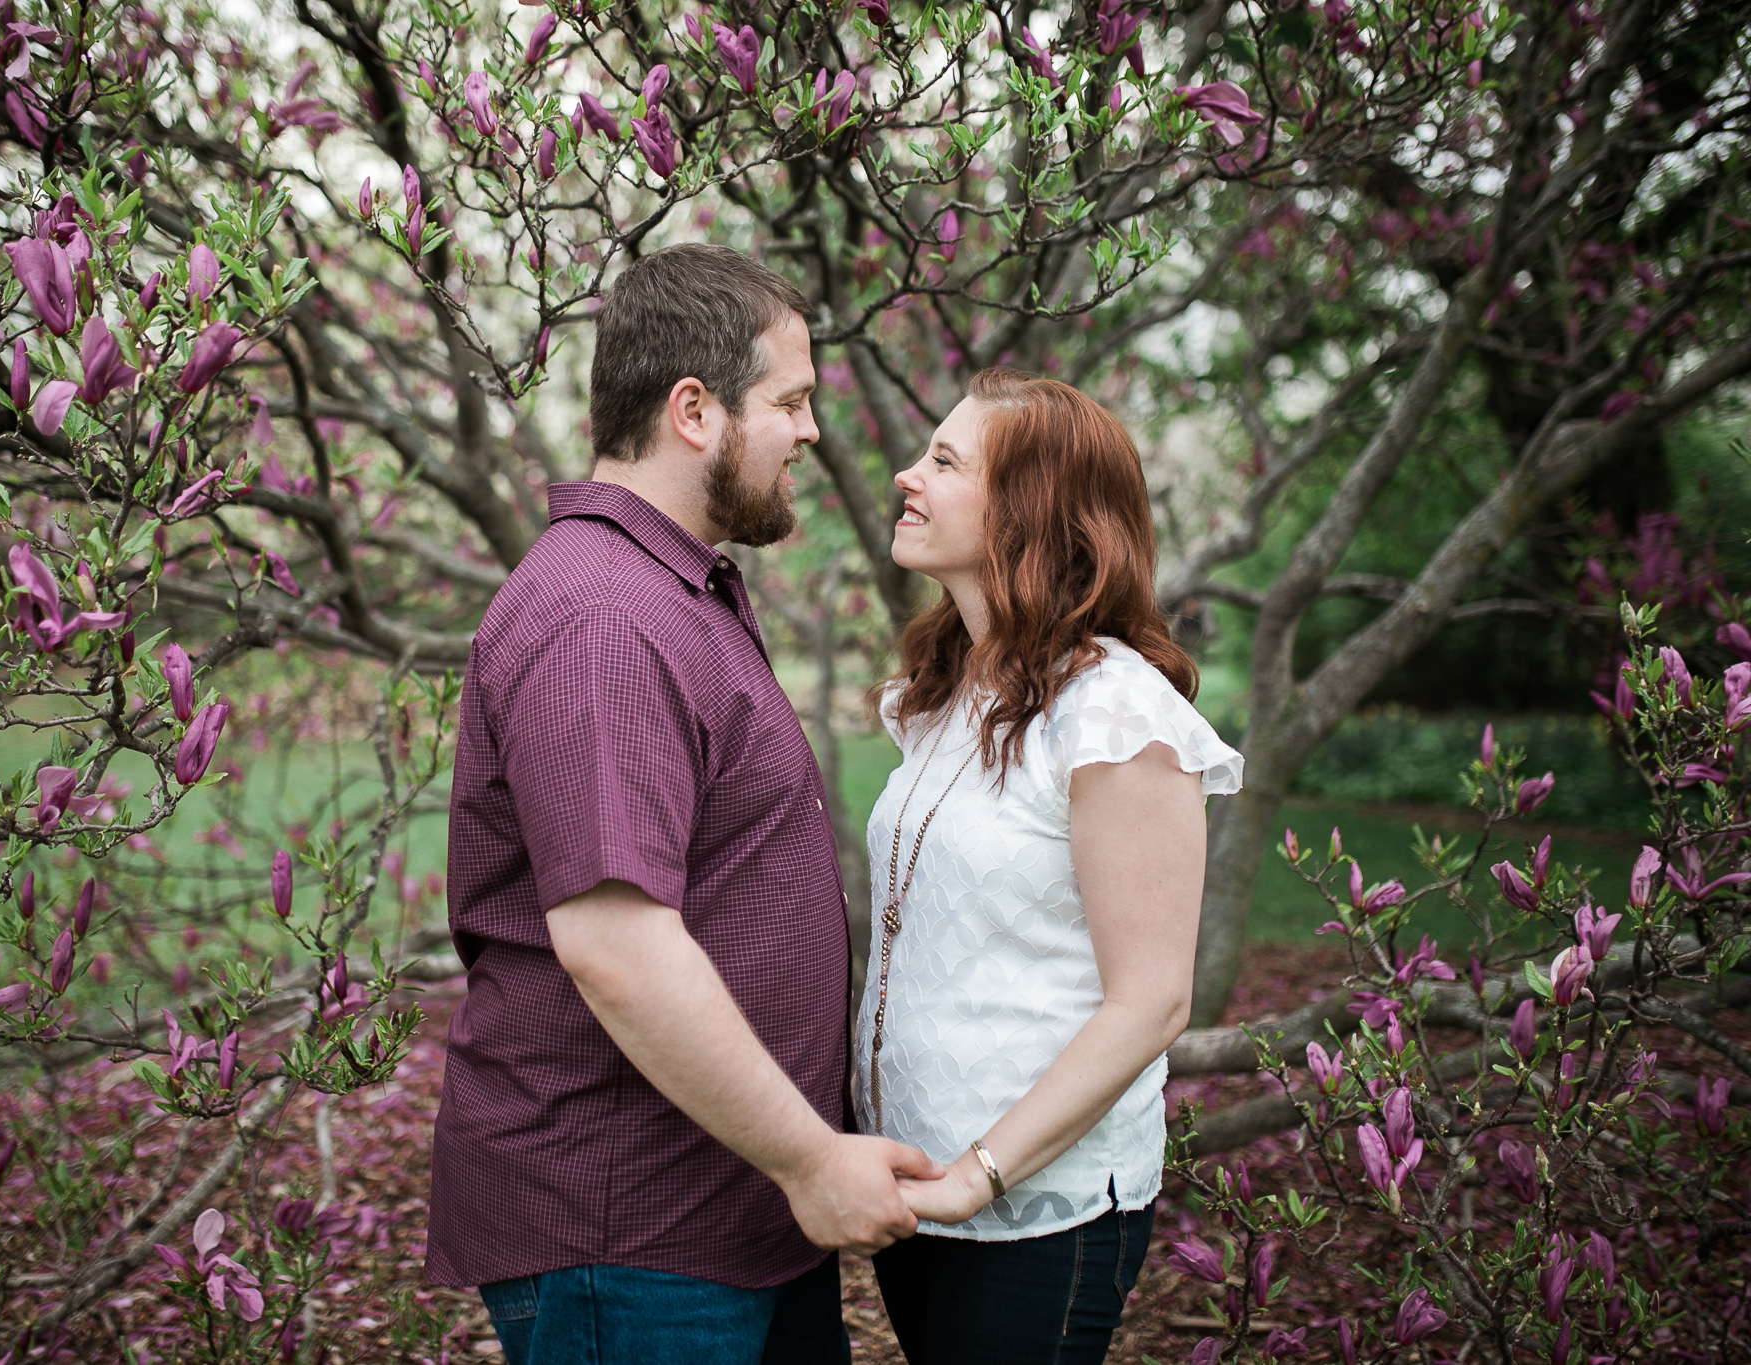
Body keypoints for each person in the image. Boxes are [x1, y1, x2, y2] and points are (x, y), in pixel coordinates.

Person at [426, 244, 941, 1365]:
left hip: (726, 1218)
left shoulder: (672, 587)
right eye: (791, 402)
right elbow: (615, 944)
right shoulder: (603, 617)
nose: (810, 432)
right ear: (694, 411)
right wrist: (811, 1159)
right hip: (633, 1238)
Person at [859, 369, 1244, 1364]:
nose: (906, 476)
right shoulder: (942, 694)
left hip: (1031, 1213)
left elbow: (1150, 1001)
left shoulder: (1113, 714)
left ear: (1024, 512)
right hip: (917, 1191)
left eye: (943, 461)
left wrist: (974, 1175)